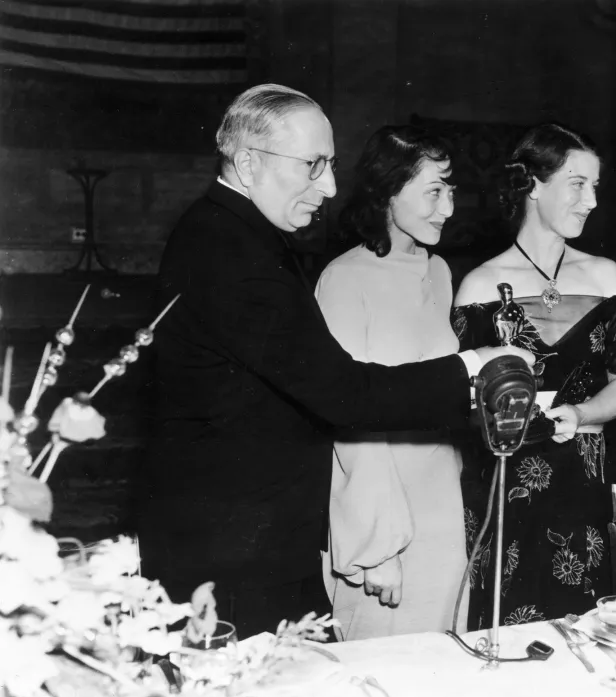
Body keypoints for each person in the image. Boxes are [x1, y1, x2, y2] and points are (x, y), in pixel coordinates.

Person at [136, 84, 530, 638]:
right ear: (248, 162)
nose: (330, 186)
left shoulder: (238, 233)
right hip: (233, 549)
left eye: (332, 165)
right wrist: (472, 367)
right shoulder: (234, 254)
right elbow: (345, 394)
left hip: (259, 532)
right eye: (313, 165)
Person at [453, 123, 616, 628]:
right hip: (503, 478)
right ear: (533, 185)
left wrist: (582, 413)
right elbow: (461, 399)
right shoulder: (479, 284)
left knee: (583, 624)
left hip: (580, 479)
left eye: (595, 186)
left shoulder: (604, 276)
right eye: (577, 183)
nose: (590, 200)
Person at [315, 125, 468, 640]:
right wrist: (378, 549)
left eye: (450, 190)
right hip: (379, 520)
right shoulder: (344, 279)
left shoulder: (440, 270)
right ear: (387, 191)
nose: (447, 207)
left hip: (441, 505)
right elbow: (348, 423)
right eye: (433, 191)